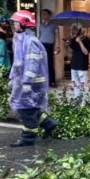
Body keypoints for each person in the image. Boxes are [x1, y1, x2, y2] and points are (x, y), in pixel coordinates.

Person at [8, 17, 58, 147]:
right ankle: (48, 123)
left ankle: (28, 138)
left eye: (16, 22)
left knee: (26, 110)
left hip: (32, 83)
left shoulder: (30, 41)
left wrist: (27, 82)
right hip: (24, 81)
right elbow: (18, 63)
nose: (14, 24)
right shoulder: (21, 40)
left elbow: (32, 64)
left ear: (24, 24)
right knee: (31, 108)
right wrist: (13, 79)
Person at [69, 26, 90, 101]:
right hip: (74, 65)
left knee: (83, 85)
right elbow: (71, 51)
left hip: (82, 65)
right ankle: (77, 101)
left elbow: (86, 52)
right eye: (73, 30)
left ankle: (84, 102)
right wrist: (70, 42)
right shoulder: (73, 40)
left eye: (75, 29)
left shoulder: (87, 40)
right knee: (76, 85)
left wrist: (80, 42)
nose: (74, 31)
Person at [38, 9, 59, 87]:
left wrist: (58, 46)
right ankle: (43, 81)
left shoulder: (54, 25)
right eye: (42, 14)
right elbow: (39, 35)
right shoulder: (41, 25)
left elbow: (57, 36)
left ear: (49, 15)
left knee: (50, 63)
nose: (43, 15)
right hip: (41, 45)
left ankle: (52, 81)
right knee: (41, 63)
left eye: (45, 14)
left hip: (49, 45)